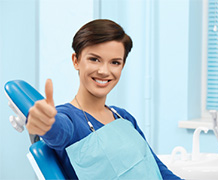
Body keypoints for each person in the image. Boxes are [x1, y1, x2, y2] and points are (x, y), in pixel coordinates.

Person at [26, 19, 181, 179]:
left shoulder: (123, 117)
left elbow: (157, 169)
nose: (104, 71)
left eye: (115, 62)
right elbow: (58, 131)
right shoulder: (69, 118)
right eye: (94, 59)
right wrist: (45, 124)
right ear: (76, 60)